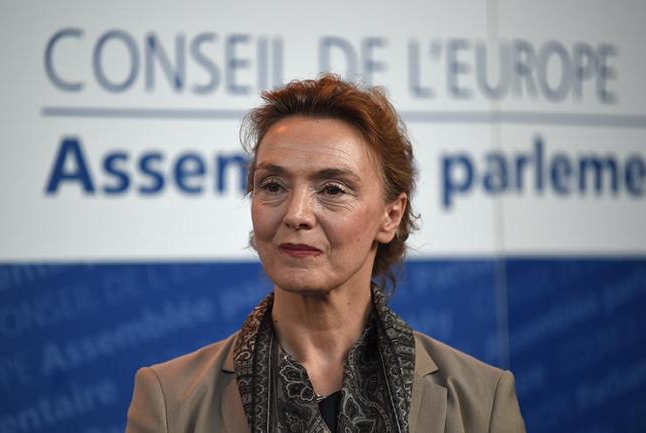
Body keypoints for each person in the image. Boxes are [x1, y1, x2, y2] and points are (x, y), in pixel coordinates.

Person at [125, 75, 526, 433]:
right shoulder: (169, 399)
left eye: (333, 189)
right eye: (273, 185)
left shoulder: (482, 400)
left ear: (390, 215)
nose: (296, 214)